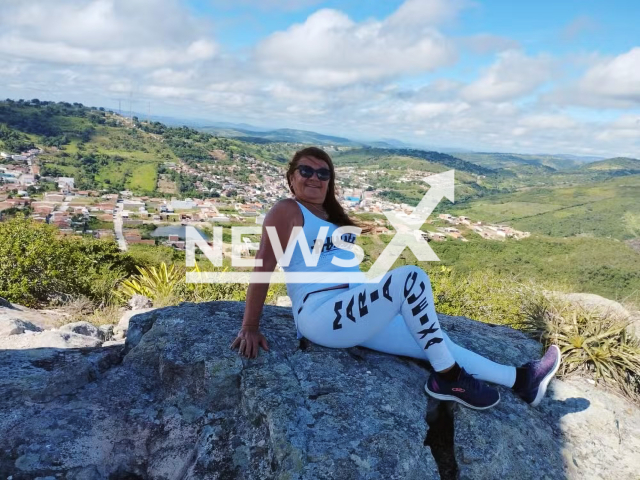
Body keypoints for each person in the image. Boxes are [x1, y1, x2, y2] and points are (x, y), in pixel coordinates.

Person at [230, 146, 561, 410]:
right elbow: (263, 266)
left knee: (436, 343)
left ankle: (522, 380)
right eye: (306, 170)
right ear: (291, 178)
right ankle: (449, 379)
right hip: (322, 313)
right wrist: (249, 326)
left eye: (323, 172)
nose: (314, 177)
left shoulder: (330, 215)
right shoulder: (287, 210)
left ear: (330, 180)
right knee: (409, 277)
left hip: (355, 309)